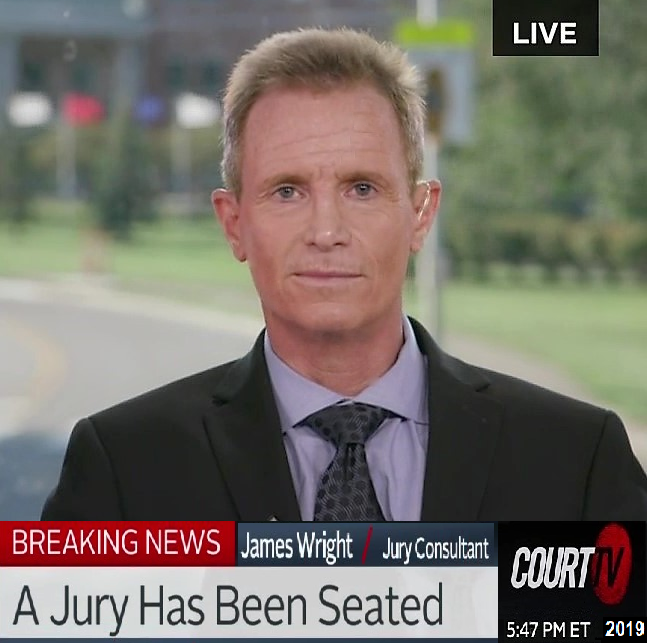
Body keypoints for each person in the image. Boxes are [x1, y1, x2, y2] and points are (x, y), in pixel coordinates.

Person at [42, 28, 647, 521]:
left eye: (362, 188)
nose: (326, 229)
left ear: (420, 213)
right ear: (233, 224)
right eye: (286, 191)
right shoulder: (123, 468)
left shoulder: (576, 459)